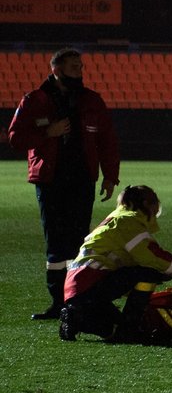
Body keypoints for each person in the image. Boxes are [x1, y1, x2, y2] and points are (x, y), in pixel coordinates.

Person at [8, 48, 120, 320]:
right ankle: (59, 303)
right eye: (73, 67)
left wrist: (110, 175)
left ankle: (76, 299)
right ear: (56, 70)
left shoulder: (91, 100)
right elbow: (15, 138)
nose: (80, 71)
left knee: (79, 240)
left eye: (81, 67)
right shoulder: (34, 100)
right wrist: (48, 132)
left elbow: (107, 139)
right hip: (51, 179)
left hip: (82, 179)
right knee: (56, 243)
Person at [59, 185, 172, 342]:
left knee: (115, 331)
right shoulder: (129, 222)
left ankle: (75, 317)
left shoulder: (117, 218)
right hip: (90, 283)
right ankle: (84, 317)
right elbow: (151, 256)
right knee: (148, 274)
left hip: (80, 286)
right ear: (147, 203)